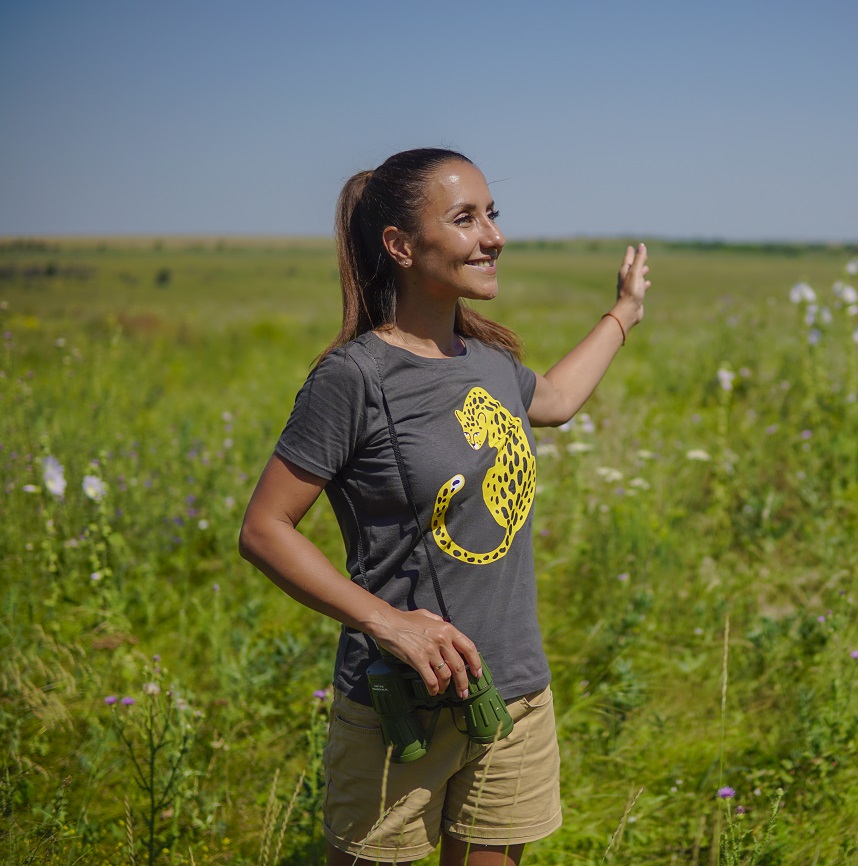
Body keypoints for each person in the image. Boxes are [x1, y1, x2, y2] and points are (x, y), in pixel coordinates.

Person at [239, 147, 649, 866]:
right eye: (465, 218)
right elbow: (265, 529)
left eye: (493, 215)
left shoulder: (487, 362)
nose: (492, 236)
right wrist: (387, 622)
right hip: (401, 709)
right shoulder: (354, 378)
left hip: (514, 696)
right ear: (399, 245)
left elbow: (553, 400)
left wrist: (622, 312)